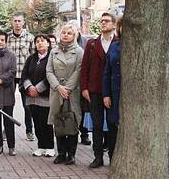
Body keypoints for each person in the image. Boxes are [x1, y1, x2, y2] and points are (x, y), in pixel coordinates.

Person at [81, 12, 118, 167]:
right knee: (96, 124)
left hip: (113, 91)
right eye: (102, 21)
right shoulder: (92, 44)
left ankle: (113, 156)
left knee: (112, 124)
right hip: (95, 90)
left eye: (107, 21)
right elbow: (84, 68)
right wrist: (84, 88)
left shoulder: (119, 42)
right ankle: (97, 156)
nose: (103, 23)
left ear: (114, 24)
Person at [49, 23, 85, 164]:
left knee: (72, 121)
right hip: (57, 92)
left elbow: (79, 71)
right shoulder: (54, 51)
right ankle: (61, 153)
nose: (65, 35)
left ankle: (71, 154)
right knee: (58, 121)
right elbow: (49, 71)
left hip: (72, 92)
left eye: (69, 33)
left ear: (74, 35)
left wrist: (67, 89)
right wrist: (58, 87)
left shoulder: (79, 51)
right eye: (63, 32)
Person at [22, 34, 55, 156]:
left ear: (48, 43)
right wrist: (29, 87)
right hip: (31, 97)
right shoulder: (31, 59)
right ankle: (41, 146)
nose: (40, 43)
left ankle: (50, 147)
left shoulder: (52, 58)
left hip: (45, 96)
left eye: (42, 41)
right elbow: (24, 75)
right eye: (37, 42)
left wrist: (39, 88)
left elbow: (51, 76)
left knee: (46, 122)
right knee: (36, 122)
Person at [6, 14, 36, 141]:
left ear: (23, 22)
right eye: (15, 21)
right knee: (8, 104)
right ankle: (6, 129)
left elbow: (34, 58)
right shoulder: (7, 38)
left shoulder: (30, 37)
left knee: (27, 105)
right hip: (10, 76)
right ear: (12, 22)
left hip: (25, 76)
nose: (17, 23)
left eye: (19, 21)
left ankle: (29, 130)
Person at [103, 17, 123, 151]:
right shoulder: (115, 46)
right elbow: (106, 72)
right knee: (112, 124)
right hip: (114, 92)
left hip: (130, 94)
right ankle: (112, 155)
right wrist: (106, 94)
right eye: (122, 26)